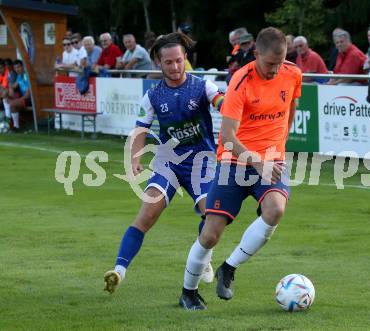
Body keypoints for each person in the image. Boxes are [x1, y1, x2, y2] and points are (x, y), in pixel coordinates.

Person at [179, 27, 302, 310]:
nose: (275, 70)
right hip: (234, 162)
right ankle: (188, 292)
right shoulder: (240, 81)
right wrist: (257, 162)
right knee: (210, 234)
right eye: (270, 63)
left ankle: (229, 268)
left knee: (276, 210)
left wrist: (279, 146)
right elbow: (227, 139)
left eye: (280, 62)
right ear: (256, 53)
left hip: (271, 159)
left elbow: (290, 108)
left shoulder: (293, 73)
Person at [103, 32, 225, 294]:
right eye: (168, 62)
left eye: (179, 60)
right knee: (146, 214)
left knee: (211, 215)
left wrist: (227, 106)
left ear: (185, 59)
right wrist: (136, 158)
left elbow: (221, 101)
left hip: (201, 162)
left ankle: (203, 257)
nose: (175, 67)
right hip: (168, 161)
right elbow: (140, 131)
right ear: (159, 62)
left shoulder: (202, 86)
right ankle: (118, 271)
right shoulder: (152, 96)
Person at [7, 60, 31, 131]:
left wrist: (15, 100)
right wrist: (9, 91)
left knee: (12, 105)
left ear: (23, 67)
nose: (17, 69)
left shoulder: (28, 76)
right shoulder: (19, 76)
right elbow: (13, 86)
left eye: (18, 67)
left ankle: (14, 126)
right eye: (15, 68)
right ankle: (15, 127)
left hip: (30, 100)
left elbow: (27, 95)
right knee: (10, 103)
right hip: (24, 99)